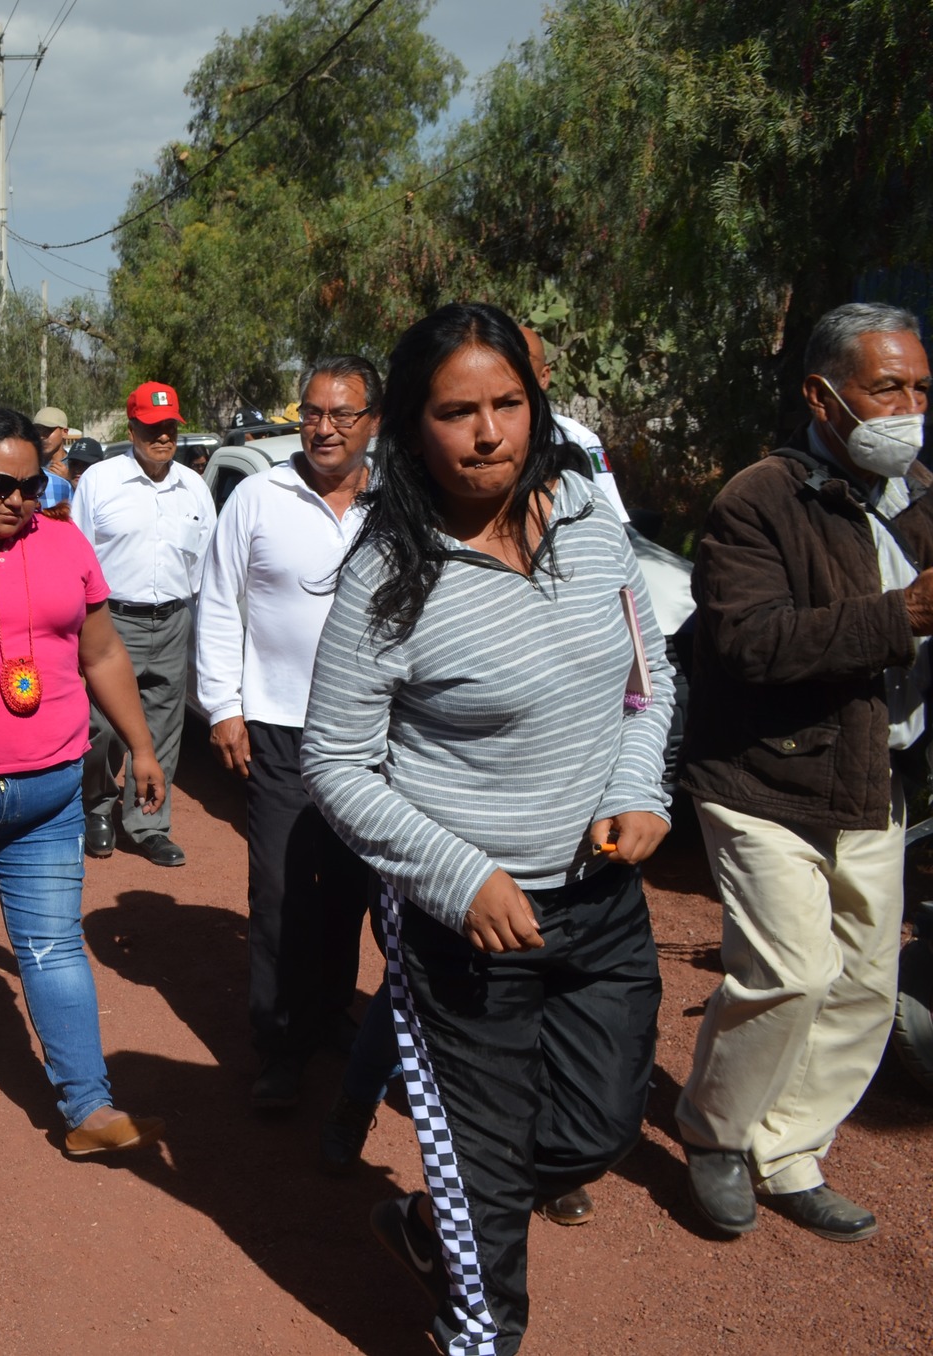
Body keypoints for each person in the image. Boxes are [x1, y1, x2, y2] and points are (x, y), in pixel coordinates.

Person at [301, 302, 673, 1356]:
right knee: (483, 1166)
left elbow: (648, 680)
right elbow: (334, 761)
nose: (487, 434)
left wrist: (641, 791)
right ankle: (474, 1324)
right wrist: (455, 877)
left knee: (597, 1128)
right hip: (463, 924)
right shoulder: (385, 571)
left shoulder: (591, 516)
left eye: (506, 404)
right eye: (455, 412)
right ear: (411, 428)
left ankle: (433, 1220)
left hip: (598, 897)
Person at [675, 301, 933, 1244]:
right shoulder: (758, 499)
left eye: (920, 388)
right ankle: (713, 1132)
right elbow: (747, 644)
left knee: (864, 986)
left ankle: (787, 1149)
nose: (909, 407)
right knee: (789, 970)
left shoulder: (917, 495)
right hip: (764, 781)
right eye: (887, 388)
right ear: (823, 397)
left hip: (877, 782)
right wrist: (900, 614)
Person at [0, 406, 167, 1154]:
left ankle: (88, 1106)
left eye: (32, 484)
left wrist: (141, 747)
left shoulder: (67, 544)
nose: (19, 499)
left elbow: (104, 653)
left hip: (49, 793)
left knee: (52, 947)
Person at [196, 357, 381, 1112]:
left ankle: (331, 1010)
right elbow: (218, 600)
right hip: (276, 727)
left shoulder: (397, 503)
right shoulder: (259, 496)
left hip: (372, 734)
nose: (323, 427)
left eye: (342, 415)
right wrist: (224, 706)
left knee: (348, 884)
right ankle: (278, 1039)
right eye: (312, 412)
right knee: (276, 889)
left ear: (374, 423)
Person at [72, 381, 213, 866]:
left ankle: (149, 822)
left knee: (163, 728)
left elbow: (205, 563)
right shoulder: (100, 481)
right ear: (132, 428)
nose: (163, 437)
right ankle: (98, 807)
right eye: (153, 428)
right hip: (111, 620)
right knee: (102, 726)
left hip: (173, 619)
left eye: (170, 427)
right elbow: (77, 555)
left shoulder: (194, 487)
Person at [518, 325, 629, 522]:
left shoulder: (581, 440)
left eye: (523, 359)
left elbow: (611, 519)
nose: (514, 369)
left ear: (544, 377)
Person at [32, 405, 75, 509]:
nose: (42, 436)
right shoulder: (30, 466)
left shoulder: (76, 466)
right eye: (38, 430)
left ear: (64, 432)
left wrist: (70, 480)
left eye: (48, 430)